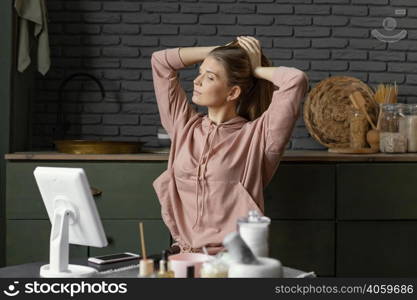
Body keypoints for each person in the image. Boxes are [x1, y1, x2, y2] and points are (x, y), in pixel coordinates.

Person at [151, 36, 309, 255]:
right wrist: (218, 50)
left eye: (209, 77)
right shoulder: (183, 126)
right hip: (184, 255)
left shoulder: (258, 137)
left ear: (233, 92)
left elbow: (296, 80)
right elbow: (160, 61)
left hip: (234, 258)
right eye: (200, 73)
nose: (196, 82)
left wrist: (256, 69)